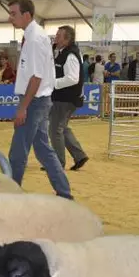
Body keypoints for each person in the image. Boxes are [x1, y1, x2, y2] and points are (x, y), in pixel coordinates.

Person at [7, 0, 72, 198]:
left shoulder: (34, 39)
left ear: (26, 15)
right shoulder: (34, 36)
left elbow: (36, 78)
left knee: (18, 152)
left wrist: (22, 108)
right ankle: (64, 192)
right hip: (40, 100)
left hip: (34, 101)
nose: (10, 18)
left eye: (13, 14)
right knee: (43, 150)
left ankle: (11, 195)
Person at [50, 25, 89, 171]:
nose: (56, 37)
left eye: (59, 35)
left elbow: (72, 78)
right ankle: (79, 156)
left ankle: (58, 164)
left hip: (65, 98)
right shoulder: (62, 51)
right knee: (61, 127)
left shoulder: (70, 54)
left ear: (67, 39)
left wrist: (53, 83)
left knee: (55, 130)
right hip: (63, 97)